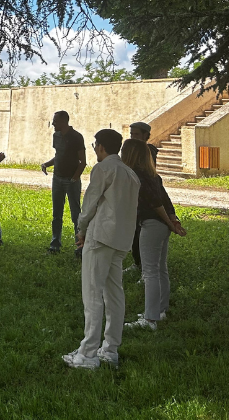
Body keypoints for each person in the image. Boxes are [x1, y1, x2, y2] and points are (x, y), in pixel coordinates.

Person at [63, 129, 140, 369]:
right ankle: (110, 350)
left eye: (96, 145)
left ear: (101, 147)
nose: (95, 149)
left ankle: (87, 354)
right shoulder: (130, 173)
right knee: (114, 294)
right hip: (120, 239)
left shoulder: (104, 168)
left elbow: (90, 203)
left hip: (101, 236)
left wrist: (81, 228)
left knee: (93, 294)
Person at [121, 139, 187, 332]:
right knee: (160, 269)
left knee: (150, 271)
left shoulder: (137, 176)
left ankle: (150, 319)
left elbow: (157, 203)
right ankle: (160, 310)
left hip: (152, 224)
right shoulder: (152, 175)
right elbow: (167, 202)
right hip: (160, 225)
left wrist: (169, 222)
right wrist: (173, 222)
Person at [41, 111, 87, 256]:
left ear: (64, 121)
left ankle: (80, 246)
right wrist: (47, 164)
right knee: (57, 214)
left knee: (75, 214)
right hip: (57, 178)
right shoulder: (56, 136)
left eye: (55, 121)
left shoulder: (76, 137)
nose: (53, 123)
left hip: (71, 180)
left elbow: (83, 161)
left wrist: (74, 178)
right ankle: (55, 244)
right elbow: (58, 156)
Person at [125, 122, 160, 274]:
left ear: (146, 135)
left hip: (145, 201)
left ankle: (145, 267)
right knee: (134, 233)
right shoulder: (133, 151)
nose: (133, 137)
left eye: (136, 134)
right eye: (131, 134)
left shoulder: (148, 151)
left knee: (142, 235)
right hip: (134, 200)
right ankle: (137, 263)